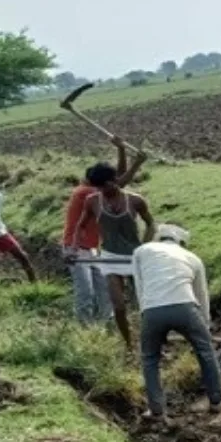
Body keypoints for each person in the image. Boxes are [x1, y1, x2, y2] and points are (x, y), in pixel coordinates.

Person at [132, 224, 221, 419]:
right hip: (186, 309)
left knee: (150, 359)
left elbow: (139, 285)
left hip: (152, 310)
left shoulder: (142, 251)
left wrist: (146, 313)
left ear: (159, 237)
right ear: (181, 242)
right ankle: (217, 399)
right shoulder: (193, 258)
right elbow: (202, 295)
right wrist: (205, 324)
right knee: (205, 350)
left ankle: (156, 410)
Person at [62, 137, 146, 326]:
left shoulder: (99, 188)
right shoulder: (87, 194)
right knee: (86, 291)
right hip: (76, 247)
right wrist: (135, 161)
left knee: (102, 291)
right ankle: (85, 327)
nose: (105, 188)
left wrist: (122, 150)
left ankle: (104, 325)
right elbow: (119, 183)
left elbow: (117, 181)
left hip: (92, 247)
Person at [75, 162, 155, 350]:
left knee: (145, 305)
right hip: (110, 257)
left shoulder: (136, 201)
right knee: (119, 306)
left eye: (105, 186)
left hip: (134, 256)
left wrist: (144, 247)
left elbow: (151, 224)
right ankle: (128, 344)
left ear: (115, 181)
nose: (102, 190)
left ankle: (150, 342)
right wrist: (74, 249)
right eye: (98, 187)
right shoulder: (93, 201)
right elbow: (81, 226)